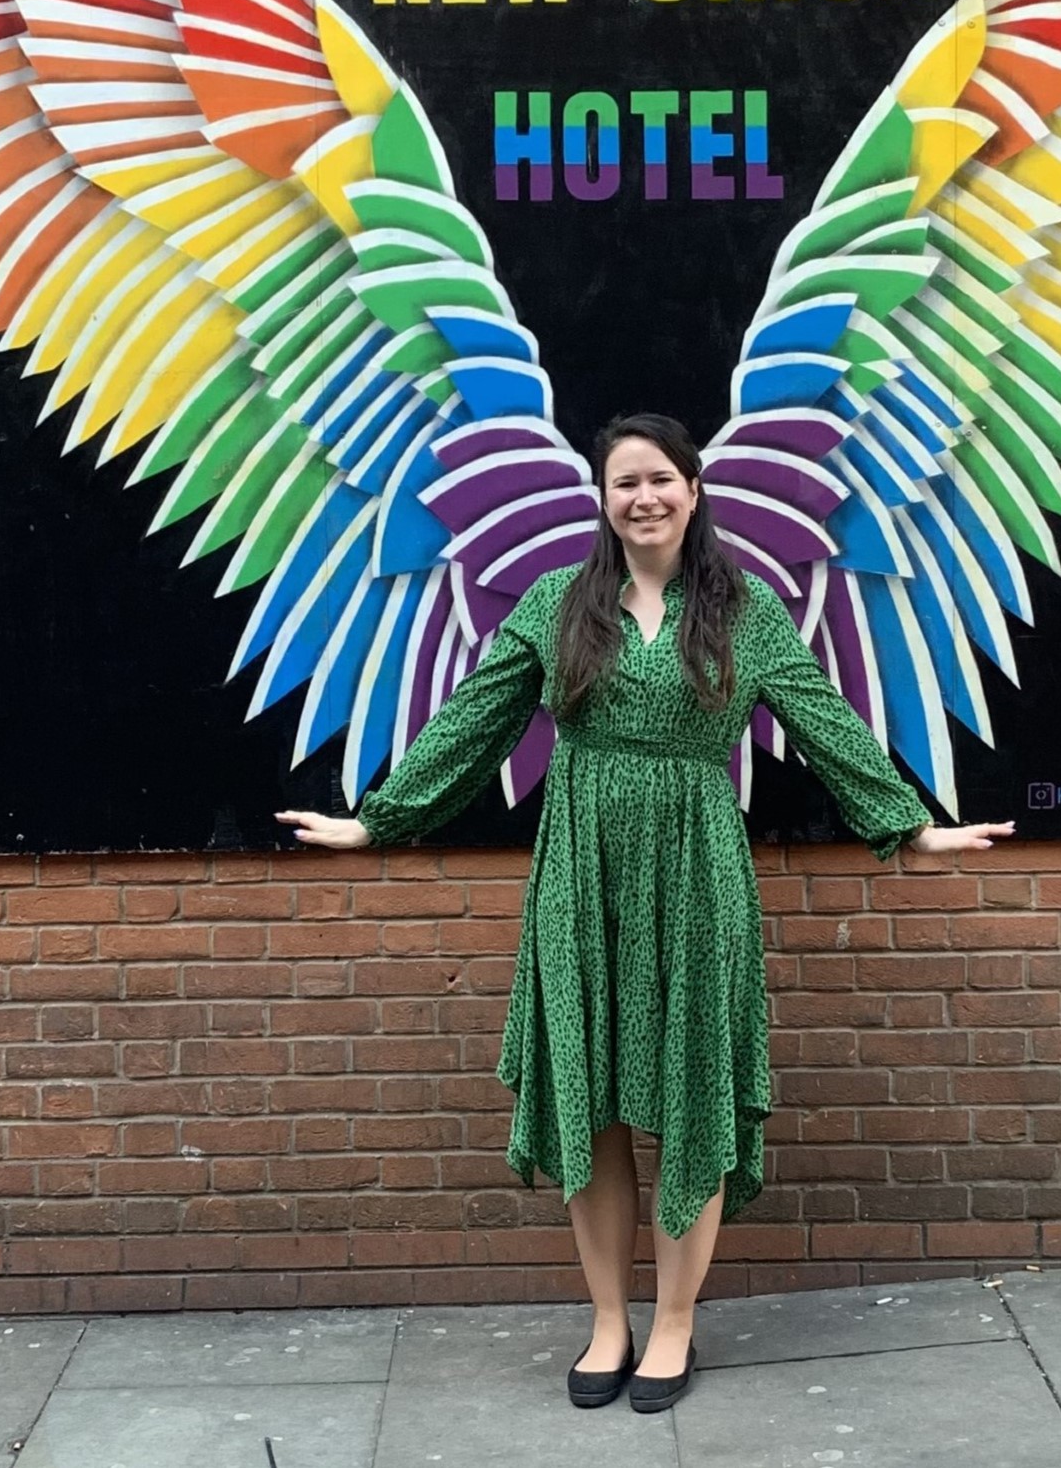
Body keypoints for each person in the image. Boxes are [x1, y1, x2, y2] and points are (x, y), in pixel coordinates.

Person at [281, 412, 1014, 1412]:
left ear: (693, 488)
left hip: (695, 875)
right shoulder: (557, 604)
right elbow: (474, 716)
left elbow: (823, 717)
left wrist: (908, 825)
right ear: (603, 497)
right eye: (625, 481)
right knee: (591, 1097)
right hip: (581, 876)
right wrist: (381, 821)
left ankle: (673, 1323)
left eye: (661, 478)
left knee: (688, 1094)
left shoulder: (742, 612)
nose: (644, 497)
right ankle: (608, 1322)